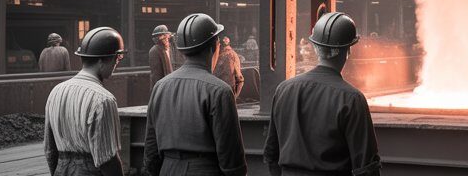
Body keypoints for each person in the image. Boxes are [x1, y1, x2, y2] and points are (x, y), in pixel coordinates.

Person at [264, 12, 380, 176]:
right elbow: (366, 167)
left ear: (315, 48)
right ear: (348, 51)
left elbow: (271, 153)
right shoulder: (352, 99)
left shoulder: (284, 89)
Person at [143, 13, 247, 176]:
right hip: (205, 170)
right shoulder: (220, 91)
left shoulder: (160, 87)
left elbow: (151, 150)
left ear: (182, 50)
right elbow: (232, 159)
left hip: (168, 168)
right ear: (214, 46)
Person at [43, 27, 126, 176]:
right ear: (101, 60)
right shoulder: (103, 100)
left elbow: (50, 150)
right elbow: (108, 160)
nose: (116, 63)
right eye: (117, 58)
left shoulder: (55, 92)